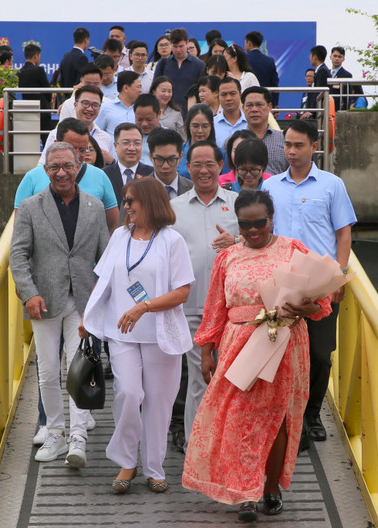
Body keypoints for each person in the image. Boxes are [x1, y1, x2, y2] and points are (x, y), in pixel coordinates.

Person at [182, 189, 333, 522]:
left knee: (275, 421)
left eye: (259, 222)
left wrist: (305, 306)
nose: (252, 230)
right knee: (238, 419)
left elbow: (322, 304)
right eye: (245, 224)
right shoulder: (228, 257)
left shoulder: (293, 249)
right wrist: (206, 351)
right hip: (238, 345)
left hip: (284, 342)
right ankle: (244, 493)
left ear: (271, 218)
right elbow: (215, 308)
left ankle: (270, 488)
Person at [82, 177, 195, 494]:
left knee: (159, 403)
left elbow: (183, 291)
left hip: (161, 335)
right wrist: (88, 317)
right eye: (125, 200)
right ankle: (127, 461)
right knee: (129, 394)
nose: (126, 207)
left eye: (131, 201)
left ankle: (154, 467)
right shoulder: (120, 236)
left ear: (150, 202)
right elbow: (103, 280)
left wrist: (144, 306)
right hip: (122, 335)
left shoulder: (172, 241)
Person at [10, 142, 110, 465]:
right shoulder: (29, 207)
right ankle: (56, 432)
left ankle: (79, 436)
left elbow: (104, 258)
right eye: (54, 167)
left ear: (80, 164)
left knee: (79, 370)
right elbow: (18, 255)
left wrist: (98, 299)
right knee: (48, 373)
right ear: (46, 170)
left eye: (67, 165)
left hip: (82, 302)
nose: (62, 172)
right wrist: (28, 293)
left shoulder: (94, 207)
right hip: (45, 300)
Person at [261, 120, 356, 445]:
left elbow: (343, 232)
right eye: (287, 144)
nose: (291, 151)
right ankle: (283, 419)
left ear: (314, 147)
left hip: (319, 285)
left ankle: (311, 415)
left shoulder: (331, 185)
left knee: (319, 355)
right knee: (280, 352)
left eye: (298, 145)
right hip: (280, 285)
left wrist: (340, 275)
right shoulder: (271, 186)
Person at [169, 140, 239, 452]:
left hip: (235, 312)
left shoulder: (238, 204)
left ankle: (225, 446)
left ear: (221, 166)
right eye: (196, 164)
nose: (203, 170)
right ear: (188, 167)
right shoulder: (175, 208)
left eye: (209, 164)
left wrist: (235, 240)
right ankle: (198, 447)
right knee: (198, 380)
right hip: (191, 308)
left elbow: (261, 242)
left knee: (232, 381)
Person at [15, 118, 119, 232]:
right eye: (72, 148)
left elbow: (113, 224)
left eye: (83, 150)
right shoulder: (32, 178)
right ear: (56, 143)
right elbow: (20, 230)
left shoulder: (100, 176)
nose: (78, 155)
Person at [154, 28, 205, 116]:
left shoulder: (199, 65)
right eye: (175, 46)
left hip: (191, 115)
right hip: (166, 116)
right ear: (171, 45)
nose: (178, 50)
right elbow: (154, 90)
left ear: (187, 43)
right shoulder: (162, 64)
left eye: (181, 46)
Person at [104, 123, 154, 213]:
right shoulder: (104, 175)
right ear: (115, 146)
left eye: (137, 143)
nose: (132, 148)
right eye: (126, 143)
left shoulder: (151, 174)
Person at [243, 86, 288, 175]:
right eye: (249, 105)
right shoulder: (234, 141)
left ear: (269, 107)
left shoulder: (285, 140)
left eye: (259, 105)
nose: (254, 109)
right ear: (243, 108)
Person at [17, 43, 52, 144]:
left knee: (30, 142)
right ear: (36, 55)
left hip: (28, 111)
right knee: (47, 141)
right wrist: (49, 100)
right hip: (42, 111)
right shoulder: (39, 70)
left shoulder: (19, 72)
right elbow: (47, 90)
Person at [149, 128, 194, 198]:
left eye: (171, 160)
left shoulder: (193, 190)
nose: (165, 166)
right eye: (159, 159)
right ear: (150, 157)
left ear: (180, 157)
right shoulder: (137, 190)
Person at [96, 71, 142, 138]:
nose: (140, 90)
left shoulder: (141, 109)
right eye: (138, 87)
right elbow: (97, 133)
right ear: (126, 88)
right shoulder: (106, 108)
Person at [177, 103, 217, 179]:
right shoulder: (178, 152)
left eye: (205, 126)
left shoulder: (221, 153)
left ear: (211, 125)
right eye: (195, 126)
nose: (200, 131)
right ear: (189, 125)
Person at [244, 31, 280, 106]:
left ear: (249, 43)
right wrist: (274, 105)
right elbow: (274, 84)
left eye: (245, 42)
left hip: (246, 101)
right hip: (263, 101)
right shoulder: (270, 61)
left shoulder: (243, 60)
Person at [214, 77, 247, 149]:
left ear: (240, 95)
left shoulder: (250, 123)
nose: (228, 98)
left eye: (232, 93)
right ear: (218, 96)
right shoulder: (212, 125)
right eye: (224, 94)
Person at [150, 76, 185, 140]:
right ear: (153, 91)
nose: (166, 94)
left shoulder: (176, 113)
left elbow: (182, 138)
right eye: (163, 91)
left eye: (169, 91)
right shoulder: (146, 110)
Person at [134, 93, 162, 162]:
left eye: (149, 120)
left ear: (159, 114)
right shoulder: (129, 136)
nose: (144, 124)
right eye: (139, 120)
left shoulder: (168, 137)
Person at [328, 46, 355, 111]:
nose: (336, 59)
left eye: (339, 57)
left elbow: (347, 96)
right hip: (326, 108)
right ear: (330, 57)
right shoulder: (326, 73)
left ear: (343, 59)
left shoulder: (347, 75)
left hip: (338, 109)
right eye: (335, 56)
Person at [304, 45, 330, 114]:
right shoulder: (320, 70)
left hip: (318, 113)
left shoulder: (322, 71)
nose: (310, 58)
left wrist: (312, 112)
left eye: (310, 56)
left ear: (315, 57)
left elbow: (319, 93)